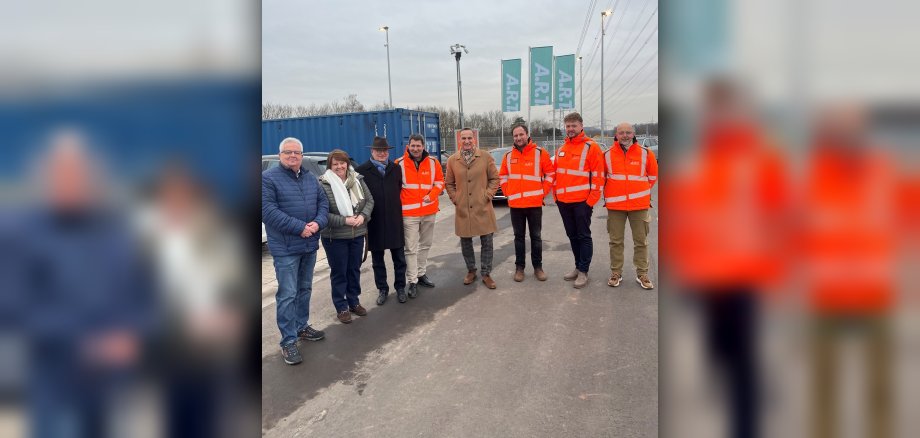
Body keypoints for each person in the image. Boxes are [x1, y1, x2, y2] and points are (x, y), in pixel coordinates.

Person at [262, 137, 329, 365]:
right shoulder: (267, 179)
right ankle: (288, 341)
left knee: (305, 289)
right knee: (288, 294)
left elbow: (323, 205)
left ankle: (301, 327)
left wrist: (317, 224)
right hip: (287, 249)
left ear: (302, 155)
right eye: (288, 152)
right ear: (280, 154)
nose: (293, 156)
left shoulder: (310, 178)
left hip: (309, 245)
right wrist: (300, 228)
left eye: (297, 153)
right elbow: (268, 211)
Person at [318, 149, 374, 324]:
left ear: (347, 164)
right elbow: (322, 214)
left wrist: (363, 216)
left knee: (354, 269)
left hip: (357, 234)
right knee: (339, 272)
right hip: (335, 237)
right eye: (335, 164)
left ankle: (353, 301)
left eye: (342, 163)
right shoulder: (323, 184)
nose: (339, 166)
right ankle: (341, 306)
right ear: (330, 166)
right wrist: (345, 220)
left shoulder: (357, 179)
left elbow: (370, 201)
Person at [603, 122, 659, 289]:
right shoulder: (606, 155)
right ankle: (616, 272)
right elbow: (602, 178)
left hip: (639, 205)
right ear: (616, 135)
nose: (625, 135)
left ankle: (642, 273)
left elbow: (653, 177)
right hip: (615, 207)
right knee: (615, 242)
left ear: (634, 134)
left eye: (628, 132)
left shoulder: (645, 153)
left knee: (641, 241)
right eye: (621, 132)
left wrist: (638, 193)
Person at [553, 112, 605, 288]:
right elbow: (556, 175)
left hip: (582, 202)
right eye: (567, 126)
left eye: (574, 125)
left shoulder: (591, 147)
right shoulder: (561, 149)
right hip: (563, 202)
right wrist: (556, 196)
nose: (570, 129)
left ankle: (583, 271)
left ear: (581, 126)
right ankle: (577, 266)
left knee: (583, 235)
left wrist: (591, 201)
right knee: (572, 235)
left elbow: (599, 176)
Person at [445, 127, 500, 289]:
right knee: (466, 242)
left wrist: (487, 195)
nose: (467, 141)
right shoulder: (452, 160)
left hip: (483, 206)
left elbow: (495, 178)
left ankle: (486, 273)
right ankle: (471, 270)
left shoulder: (485, 157)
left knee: (487, 242)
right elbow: (448, 183)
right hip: (463, 208)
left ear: (474, 139)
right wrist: (455, 198)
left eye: (470, 138)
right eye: (464, 138)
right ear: (459, 140)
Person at [498, 123, 555, 282]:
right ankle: (519, 268)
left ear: (527, 134)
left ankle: (538, 267)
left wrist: (543, 192)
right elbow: (502, 176)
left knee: (536, 237)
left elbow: (550, 174)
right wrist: (507, 192)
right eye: (515, 135)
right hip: (516, 206)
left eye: (521, 134)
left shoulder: (540, 153)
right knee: (519, 238)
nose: (518, 138)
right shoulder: (508, 156)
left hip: (534, 205)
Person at [355, 136, 408, 304]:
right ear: (372, 151)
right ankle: (382, 289)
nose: (382, 153)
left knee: (399, 258)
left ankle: (400, 287)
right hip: (374, 221)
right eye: (378, 150)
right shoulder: (362, 170)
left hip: (394, 220)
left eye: (385, 150)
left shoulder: (396, 169)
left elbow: (398, 189)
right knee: (377, 260)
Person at [395, 134, 444, 298]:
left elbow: (439, 182)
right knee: (410, 249)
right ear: (408, 146)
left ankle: (422, 274)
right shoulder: (399, 164)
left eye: (418, 146)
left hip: (429, 211)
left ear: (424, 146)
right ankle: (413, 280)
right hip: (409, 214)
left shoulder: (433, 163)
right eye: (413, 145)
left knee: (426, 245)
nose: (415, 149)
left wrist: (433, 194)